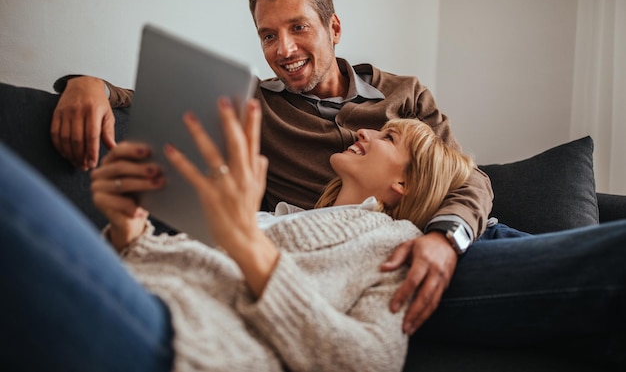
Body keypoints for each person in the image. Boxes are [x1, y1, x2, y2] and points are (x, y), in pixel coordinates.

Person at [47, 0, 626, 367]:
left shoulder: (404, 96)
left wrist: (445, 238)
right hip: (384, 259)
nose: (283, 48)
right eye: (267, 34)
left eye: (298, 27)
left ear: (334, 28)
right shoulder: (255, 104)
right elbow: (152, 100)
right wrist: (85, 83)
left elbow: (468, 177)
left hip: (452, 239)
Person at [0, 97, 474, 371]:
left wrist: (248, 245)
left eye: (389, 138)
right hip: (144, 294)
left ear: (403, 185)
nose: (368, 133)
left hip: (185, 342)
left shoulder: (393, 241)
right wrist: (128, 230)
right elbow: (199, 263)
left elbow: (374, 360)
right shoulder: (289, 217)